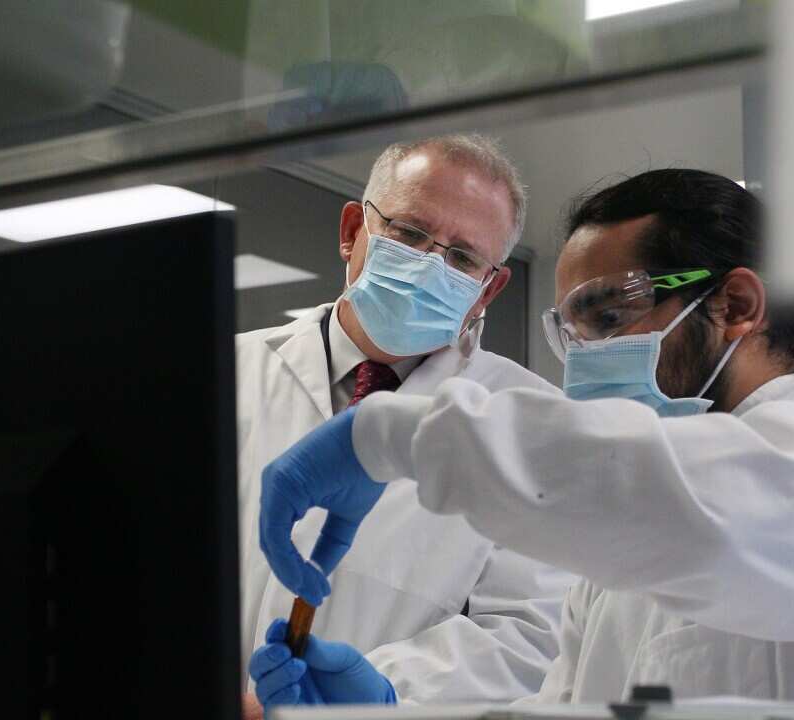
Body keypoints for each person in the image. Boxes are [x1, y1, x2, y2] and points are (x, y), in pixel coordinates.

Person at [251, 170, 794, 708]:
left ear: (736, 304)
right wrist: (382, 712)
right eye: (571, 330)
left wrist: (395, 438)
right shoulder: (613, 570)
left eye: (607, 315)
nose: (585, 356)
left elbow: (721, 513)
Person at [235, 134, 574, 711]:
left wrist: (380, 693)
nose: (427, 266)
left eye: (463, 258)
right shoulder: (224, 371)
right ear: (352, 232)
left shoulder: (529, 422)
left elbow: (529, 633)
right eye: (410, 232)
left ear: (488, 287)